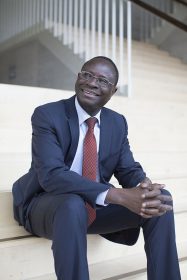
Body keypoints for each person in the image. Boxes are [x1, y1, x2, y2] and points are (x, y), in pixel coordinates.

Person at [12, 56, 181, 280]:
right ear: (78, 77)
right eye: (87, 75)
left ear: (114, 90)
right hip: (46, 207)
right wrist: (116, 195)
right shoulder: (48, 115)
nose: (92, 83)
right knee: (71, 204)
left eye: (102, 81)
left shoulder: (116, 122)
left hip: (90, 209)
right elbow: (51, 176)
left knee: (160, 201)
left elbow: (128, 169)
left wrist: (144, 187)